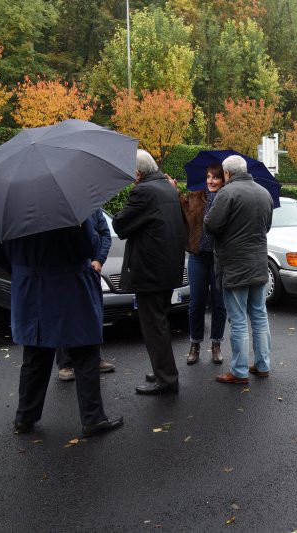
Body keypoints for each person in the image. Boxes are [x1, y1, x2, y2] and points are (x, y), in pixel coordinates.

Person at [0, 219, 123, 437]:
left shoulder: (6, 211)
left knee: (35, 355)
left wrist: (23, 271)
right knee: (85, 354)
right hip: (71, 287)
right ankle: (93, 419)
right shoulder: (68, 207)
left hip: (30, 289)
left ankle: (24, 418)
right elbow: (90, 246)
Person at [112, 150, 187, 395]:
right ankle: (162, 371)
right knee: (160, 323)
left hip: (150, 273)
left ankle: (166, 379)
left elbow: (120, 225)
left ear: (138, 173)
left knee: (154, 327)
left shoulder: (143, 191)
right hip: (167, 269)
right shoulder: (167, 188)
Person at [204, 155, 273, 385]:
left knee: (239, 320)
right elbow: (267, 226)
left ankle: (239, 370)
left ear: (227, 174)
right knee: (259, 316)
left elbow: (211, 225)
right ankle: (263, 365)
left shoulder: (227, 193)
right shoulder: (264, 193)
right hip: (259, 265)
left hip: (234, 266)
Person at [57, 209, 116, 381]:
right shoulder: (56, 210)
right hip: (63, 273)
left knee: (93, 315)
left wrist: (99, 259)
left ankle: (94, 358)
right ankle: (66, 364)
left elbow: (105, 234)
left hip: (90, 272)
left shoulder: (93, 207)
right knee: (65, 316)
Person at [179, 164, 226, 365]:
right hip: (198, 256)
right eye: (208, 177)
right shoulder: (196, 197)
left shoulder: (227, 199)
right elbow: (181, 207)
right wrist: (173, 190)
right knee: (196, 303)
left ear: (224, 180)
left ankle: (216, 344)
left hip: (219, 258)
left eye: (215, 178)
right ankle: (195, 344)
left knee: (219, 304)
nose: (211, 181)